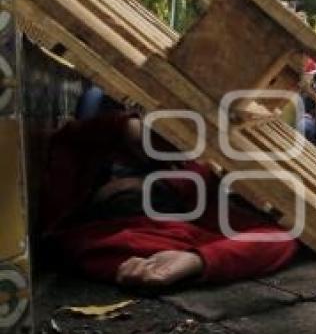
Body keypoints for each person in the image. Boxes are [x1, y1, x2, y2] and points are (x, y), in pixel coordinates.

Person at [40, 97, 300, 288]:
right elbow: (71, 138)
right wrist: (123, 128)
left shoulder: (194, 199)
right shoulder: (88, 155)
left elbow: (277, 239)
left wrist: (197, 260)